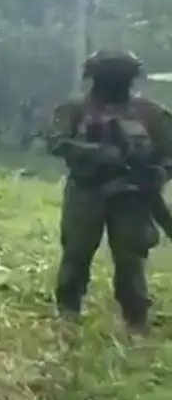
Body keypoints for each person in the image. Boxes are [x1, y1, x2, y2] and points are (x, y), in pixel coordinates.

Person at [47, 50, 172, 335]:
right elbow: (56, 142)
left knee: (130, 259)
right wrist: (97, 154)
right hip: (87, 191)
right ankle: (68, 314)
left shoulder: (150, 113)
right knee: (77, 253)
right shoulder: (74, 109)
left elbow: (169, 152)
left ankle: (135, 319)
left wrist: (159, 172)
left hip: (132, 195)